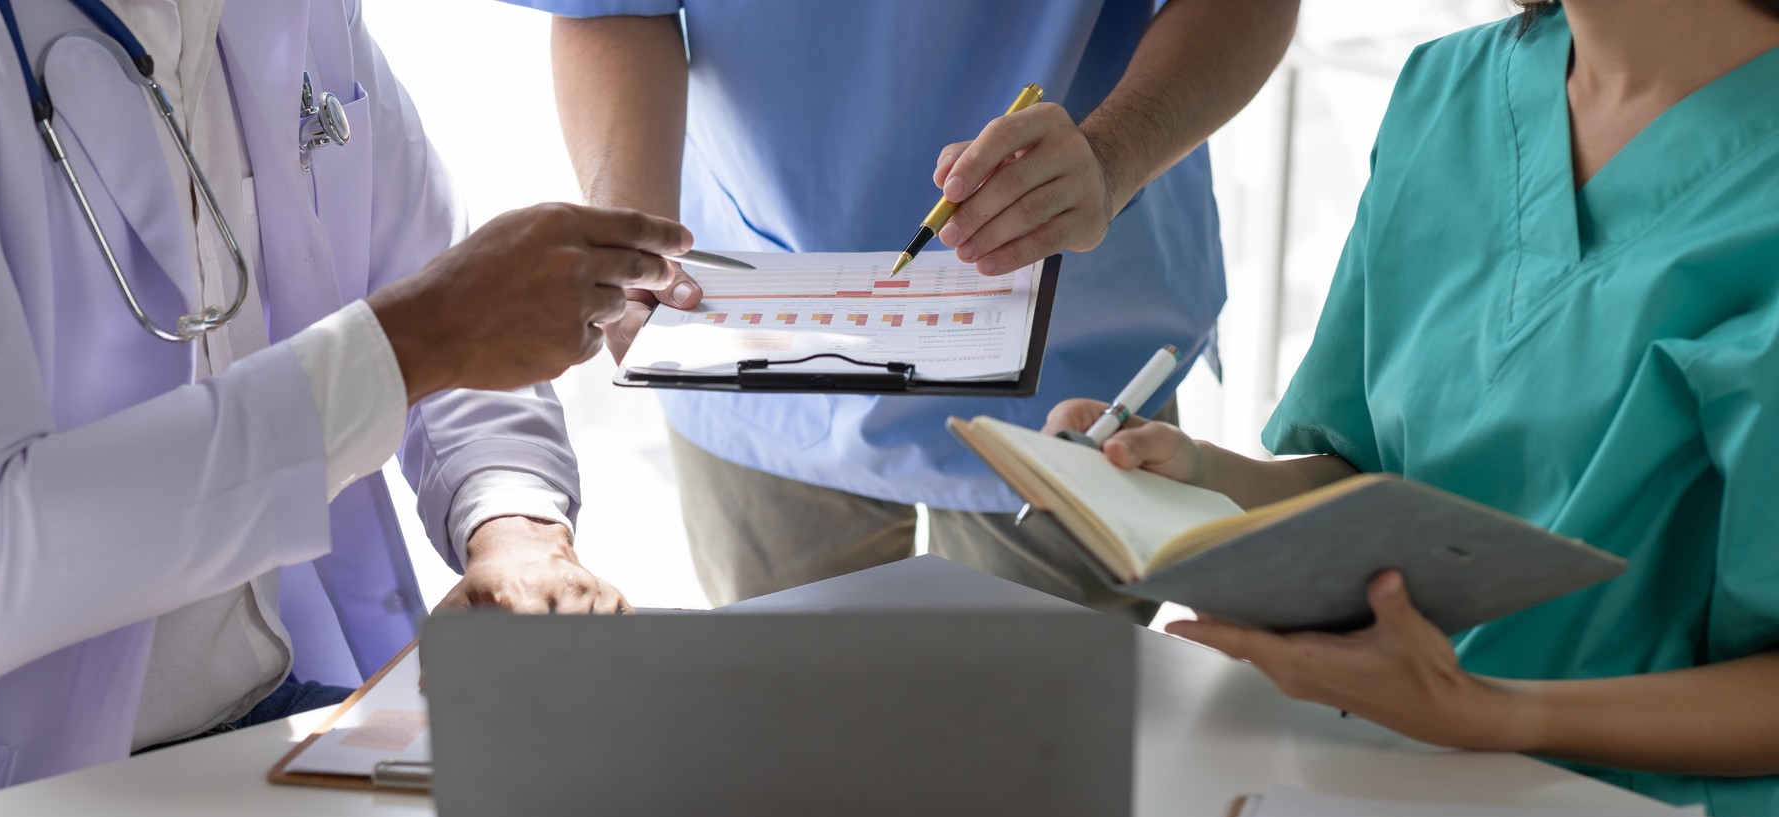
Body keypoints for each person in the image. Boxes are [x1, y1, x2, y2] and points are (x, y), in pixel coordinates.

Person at [0, 0, 691, 817]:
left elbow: (455, 290)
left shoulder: (295, 13)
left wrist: (517, 529)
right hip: (19, 781)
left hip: (278, 704)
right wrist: (415, 343)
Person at [1051, 0, 1779, 817]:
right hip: (1386, 771)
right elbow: (1381, 491)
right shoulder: (1451, 89)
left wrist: (1488, 711)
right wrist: (1204, 479)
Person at [514, 0, 1298, 614]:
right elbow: (608, 5)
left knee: (1031, 759)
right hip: (745, 317)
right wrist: (627, 231)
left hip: (1068, 338)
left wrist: (1109, 156)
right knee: (788, 739)